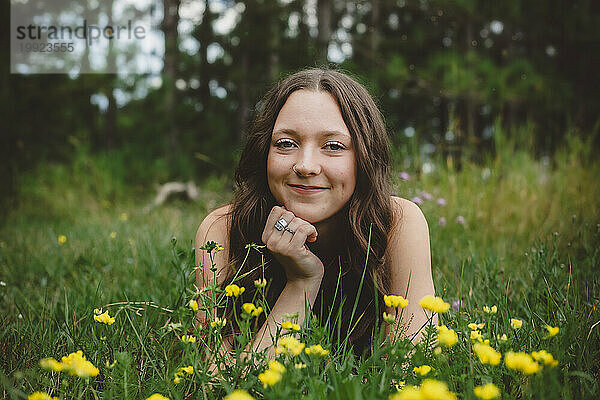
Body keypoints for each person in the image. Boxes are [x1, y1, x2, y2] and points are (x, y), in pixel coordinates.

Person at [194, 68, 436, 362]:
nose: (305, 165)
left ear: (364, 156)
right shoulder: (223, 229)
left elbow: (416, 365)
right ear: (264, 150)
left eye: (333, 146)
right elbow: (214, 383)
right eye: (286, 143)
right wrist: (302, 282)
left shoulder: (397, 222)